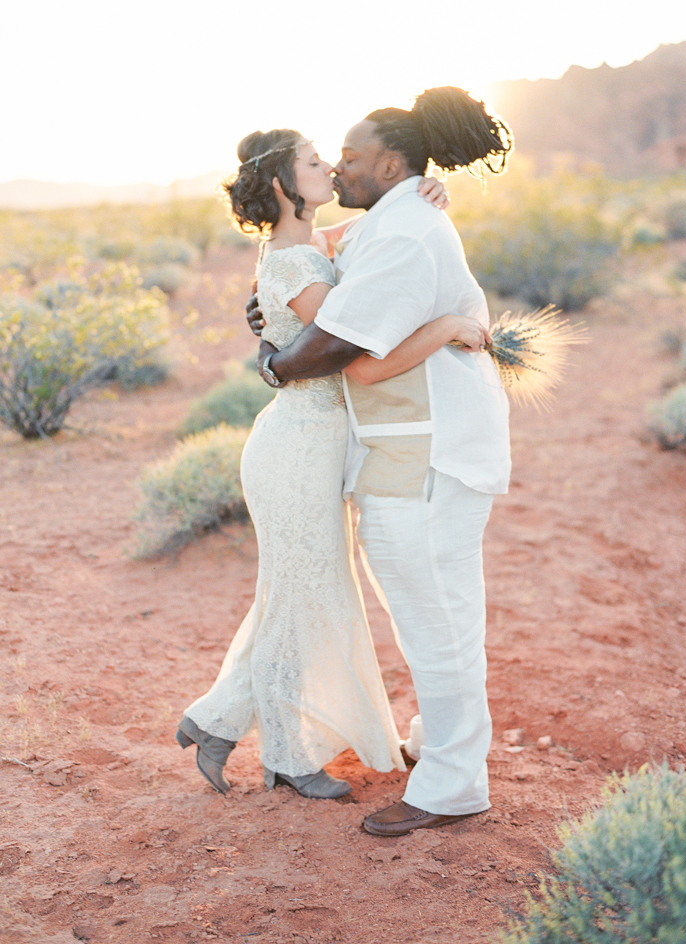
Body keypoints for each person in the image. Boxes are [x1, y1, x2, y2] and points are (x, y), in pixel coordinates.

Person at [176, 127, 488, 800]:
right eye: (318, 162)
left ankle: (216, 720)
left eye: (338, 159)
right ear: (287, 186)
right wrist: (446, 328)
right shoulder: (293, 258)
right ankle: (289, 756)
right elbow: (353, 351)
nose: (332, 169)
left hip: (321, 446)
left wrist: (425, 189)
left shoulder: (314, 243)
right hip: (297, 448)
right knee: (307, 596)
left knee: (296, 594)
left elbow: (373, 236)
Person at [252, 87, 513, 834]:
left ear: (392, 162)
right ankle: (440, 747)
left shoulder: (402, 233)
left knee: (438, 619)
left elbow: (336, 354)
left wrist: (275, 360)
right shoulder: (395, 221)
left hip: (424, 457)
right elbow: (318, 262)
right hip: (414, 451)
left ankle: (451, 788)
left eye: (354, 155)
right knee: (438, 613)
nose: (339, 165)